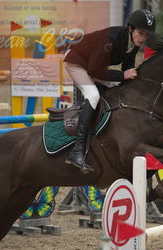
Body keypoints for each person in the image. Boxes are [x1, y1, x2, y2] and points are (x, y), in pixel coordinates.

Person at [63, 9, 156, 174]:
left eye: (146, 35)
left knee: (116, 92)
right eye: (140, 33)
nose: (142, 38)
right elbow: (94, 70)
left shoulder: (133, 44)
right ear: (131, 29)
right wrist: (122, 75)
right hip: (76, 62)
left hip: (94, 65)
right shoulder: (111, 40)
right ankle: (77, 151)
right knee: (93, 95)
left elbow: (127, 68)